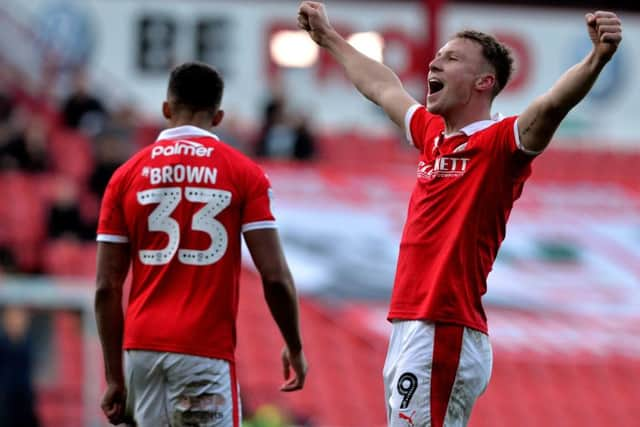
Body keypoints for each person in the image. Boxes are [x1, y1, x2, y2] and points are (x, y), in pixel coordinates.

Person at [297, 2, 622, 426]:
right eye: (437, 56)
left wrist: (596, 59)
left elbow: (550, 106)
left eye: (451, 58)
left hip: (443, 324)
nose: (434, 62)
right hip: (413, 323)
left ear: (484, 82)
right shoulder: (433, 137)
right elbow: (382, 88)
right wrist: (329, 38)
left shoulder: (500, 143)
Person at [94, 62, 307, 427]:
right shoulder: (243, 174)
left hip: (142, 352)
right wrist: (295, 346)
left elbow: (105, 288)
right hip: (202, 351)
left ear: (165, 109)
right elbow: (274, 276)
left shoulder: (125, 176)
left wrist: (115, 377)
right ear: (219, 116)